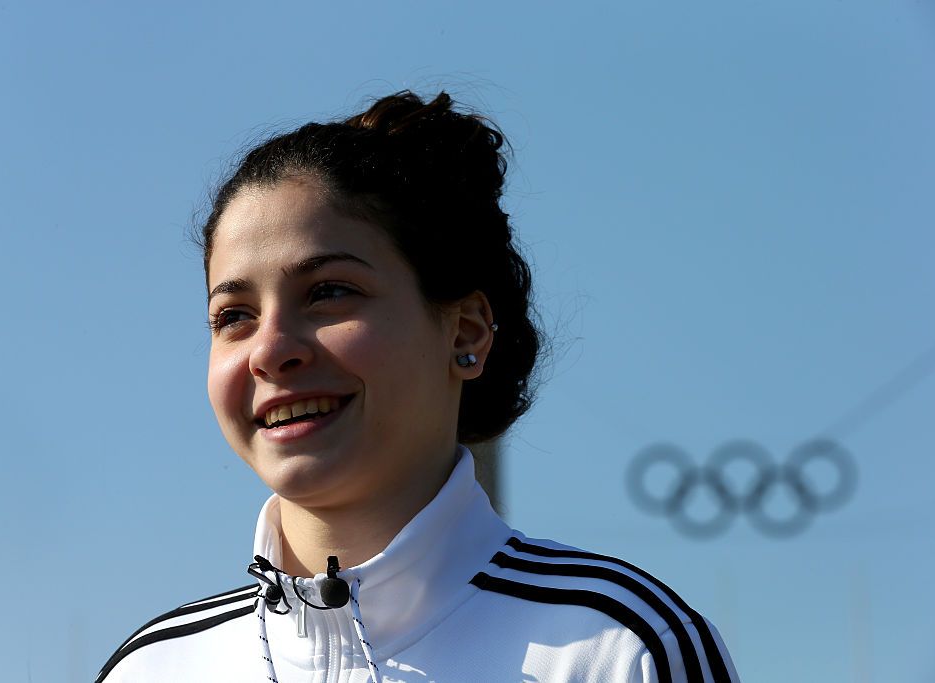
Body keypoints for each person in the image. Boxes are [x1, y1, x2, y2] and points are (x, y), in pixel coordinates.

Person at [96, 91, 740, 682]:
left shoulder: (623, 646)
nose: (270, 351)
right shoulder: (150, 668)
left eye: (329, 293)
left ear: (465, 332)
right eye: (234, 316)